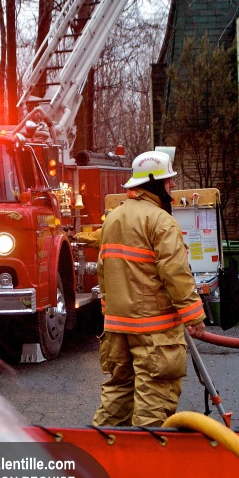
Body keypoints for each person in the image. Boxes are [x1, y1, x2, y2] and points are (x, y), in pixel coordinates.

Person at [92, 150, 206, 427]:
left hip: (117, 327)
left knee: (118, 393)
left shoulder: (113, 218)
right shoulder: (161, 221)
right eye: (169, 181)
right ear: (154, 183)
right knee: (155, 397)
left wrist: (109, 311)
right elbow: (175, 273)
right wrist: (194, 316)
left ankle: (100, 448)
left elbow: (103, 269)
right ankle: (147, 452)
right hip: (154, 331)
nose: (173, 185)